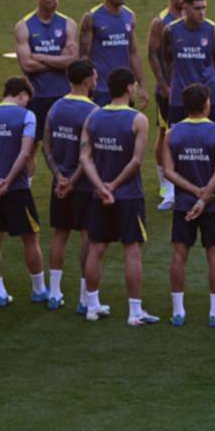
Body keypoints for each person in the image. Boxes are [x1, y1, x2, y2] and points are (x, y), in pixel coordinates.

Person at [78, 67, 158, 325]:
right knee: (132, 251)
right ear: (129, 88)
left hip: (99, 196)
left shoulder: (93, 117)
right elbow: (136, 161)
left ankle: (92, 306)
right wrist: (113, 186)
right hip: (128, 195)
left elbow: (84, 158)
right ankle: (135, 311)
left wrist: (100, 187)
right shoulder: (138, 120)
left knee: (96, 248)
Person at [0, 77, 46, 308]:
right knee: (30, 238)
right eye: (26, 99)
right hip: (17, 188)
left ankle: (0, 292)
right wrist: (7, 182)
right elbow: (25, 153)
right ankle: (39, 290)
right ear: (22, 95)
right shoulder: (27, 116)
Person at [162, 83, 215, 327]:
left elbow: (168, 171)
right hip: (213, 203)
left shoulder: (172, 134)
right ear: (206, 104)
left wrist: (192, 192)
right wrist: (203, 197)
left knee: (179, 255)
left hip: (183, 204)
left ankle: (178, 312)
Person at [42, 61, 100, 311]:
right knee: (87, 236)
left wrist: (60, 177)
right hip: (84, 185)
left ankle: (54, 293)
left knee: (60, 234)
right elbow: (88, 154)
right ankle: (84, 297)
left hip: (59, 183)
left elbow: (46, 145)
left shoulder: (55, 107)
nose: (97, 81)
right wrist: (73, 181)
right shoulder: (94, 111)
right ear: (87, 81)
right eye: (95, 77)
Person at [14, 0, 78, 177]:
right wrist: (58, 60)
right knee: (31, 146)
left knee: (66, 143)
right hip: (37, 96)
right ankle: (27, 184)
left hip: (63, 96)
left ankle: (65, 181)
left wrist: (40, 56)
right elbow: (27, 65)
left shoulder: (68, 24)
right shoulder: (24, 26)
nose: (55, 2)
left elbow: (71, 61)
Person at [146, 0, 189, 210]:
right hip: (169, 89)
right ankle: (168, 187)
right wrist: (162, 84)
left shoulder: (191, 16)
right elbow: (152, 54)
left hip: (191, 89)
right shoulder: (161, 21)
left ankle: (197, 184)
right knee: (166, 134)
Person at [79, 0, 148, 108]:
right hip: (101, 88)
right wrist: (85, 86)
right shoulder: (92, 17)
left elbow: (133, 52)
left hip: (125, 88)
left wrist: (142, 85)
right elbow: (84, 56)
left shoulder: (129, 16)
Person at [163, 0, 215, 127]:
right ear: (185, 7)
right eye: (197, 8)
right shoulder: (171, 31)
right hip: (179, 96)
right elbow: (167, 60)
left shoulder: (214, 31)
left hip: (208, 96)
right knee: (176, 135)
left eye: (204, 8)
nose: (202, 12)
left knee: (210, 135)